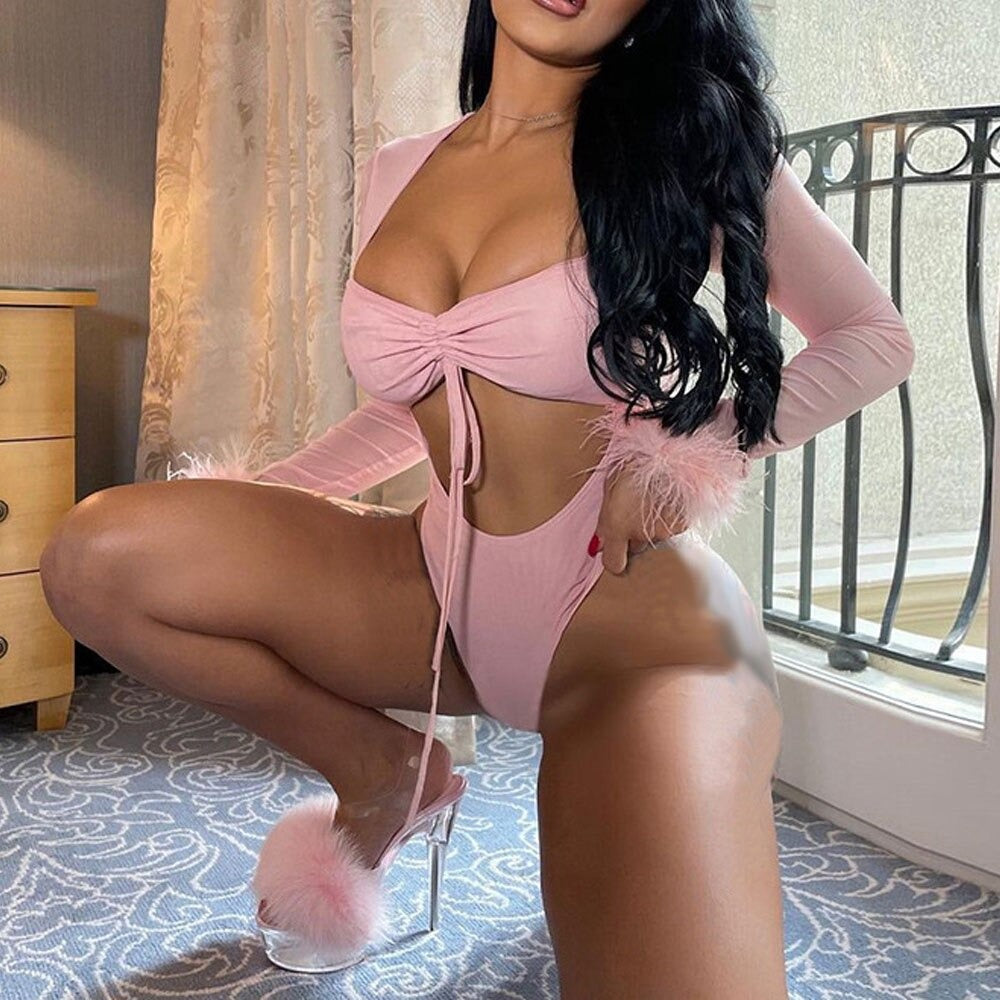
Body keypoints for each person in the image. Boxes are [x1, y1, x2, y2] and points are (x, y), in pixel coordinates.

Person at [38, 0, 914, 995]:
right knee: (98, 556)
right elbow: (407, 405)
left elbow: (872, 338)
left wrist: (691, 455)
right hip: (434, 589)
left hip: (629, 623)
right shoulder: (401, 170)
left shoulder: (685, 149)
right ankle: (378, 768)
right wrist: (257, 509)